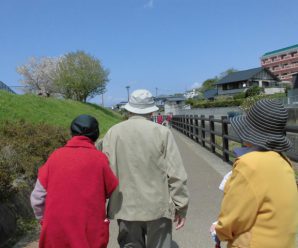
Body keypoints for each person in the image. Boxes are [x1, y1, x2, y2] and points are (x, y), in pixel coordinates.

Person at [102, 89, 189, 248]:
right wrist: (181, 205)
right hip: (157, 206)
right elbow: (176, 174)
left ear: (129, 109)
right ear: (151, 111)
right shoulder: (163, 133)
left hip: (124, 206)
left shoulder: (113, 133)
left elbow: (103, 170)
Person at [211, 99, 298, 248]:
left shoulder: (249, 164)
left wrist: (218, 231)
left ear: (250, 132)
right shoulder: (284, 162)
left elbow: (234, 217)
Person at [30, 114, 118, 248]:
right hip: (90, 233)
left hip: (56, 232)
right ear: (95, 135)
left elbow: (37, 197)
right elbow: (113, 188)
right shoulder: (100, 159)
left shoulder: (55, 156)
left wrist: (44, 219)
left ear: (72, 132)